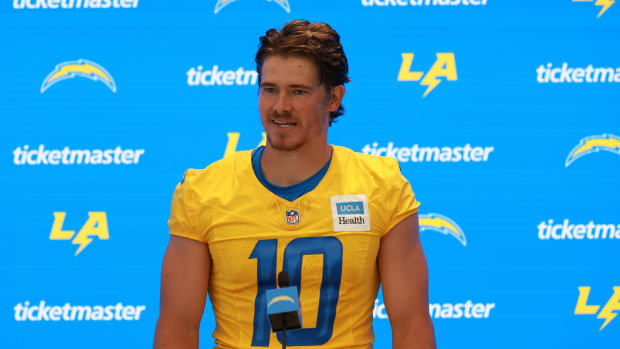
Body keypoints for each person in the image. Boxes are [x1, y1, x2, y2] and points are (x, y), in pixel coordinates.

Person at [154, 20, 436, 349]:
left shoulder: (382, 187)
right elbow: (178, 324)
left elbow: (411, 324)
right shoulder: (202, 191)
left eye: (298, 91)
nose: (280, 106)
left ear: (333, 97)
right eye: (270, 89)